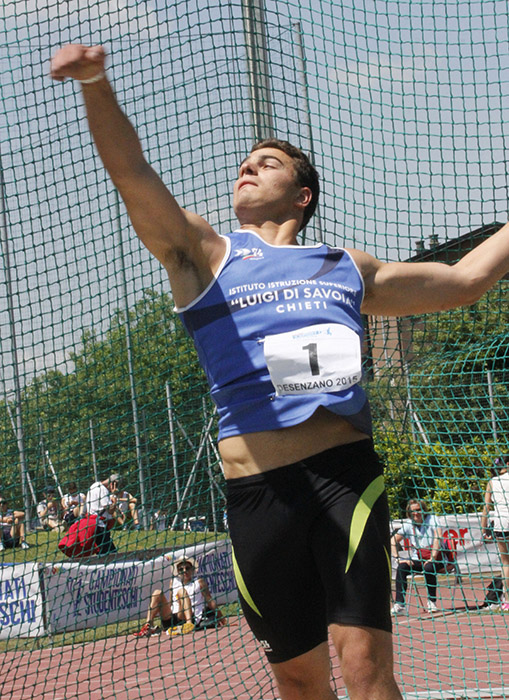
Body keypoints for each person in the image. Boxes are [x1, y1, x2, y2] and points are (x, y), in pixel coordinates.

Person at [49, 44, 509, 700]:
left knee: (365, 668)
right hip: (257, 494)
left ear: (301, 193)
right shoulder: (205, 253)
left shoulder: (346, 266)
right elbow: (132, 174)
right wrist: (95, 82)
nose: (247, 168)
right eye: (244, 163)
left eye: (266, 163)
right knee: (298, 682)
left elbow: (466, 280)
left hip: (344, 481)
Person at [133, 555, 225, 638]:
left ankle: (189, 624)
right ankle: (148, 626)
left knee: (181, 592)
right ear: (177, 571)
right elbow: (170, 602)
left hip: (189, 616)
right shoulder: (173, 582)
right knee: (157, 593)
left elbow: (210, 600)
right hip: (173, 619)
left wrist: (222, 618)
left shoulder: (199, 582)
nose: (184, 571)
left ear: (192, 569)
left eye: (187, 568)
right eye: (181, 569)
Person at [390, 500, 452, 615]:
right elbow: (393, 541)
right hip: (418, 559)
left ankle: (432, 602)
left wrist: (432, 557)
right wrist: (397, 558)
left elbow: (438, 537)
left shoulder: (433, 519)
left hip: (437, 559)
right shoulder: (408, 524)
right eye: (413, 511)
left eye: (418, 510)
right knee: (402, 567)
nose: (416, 513)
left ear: (424, 510)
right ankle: (400, 604)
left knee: (429, 567)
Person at [480, 455, 509, 612]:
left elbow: (486, 508)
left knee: (506, 563)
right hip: (503, 523)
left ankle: (507, 600)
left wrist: (483, 529)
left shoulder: (492, 482)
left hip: (501, 524)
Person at [84, 473, 118, 555]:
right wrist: (114, 496)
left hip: (93, 523)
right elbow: (110, 510)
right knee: (107, 554)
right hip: (100, 526)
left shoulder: (94, 485)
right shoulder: (103, 490)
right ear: (112, 484)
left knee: (111, 552)